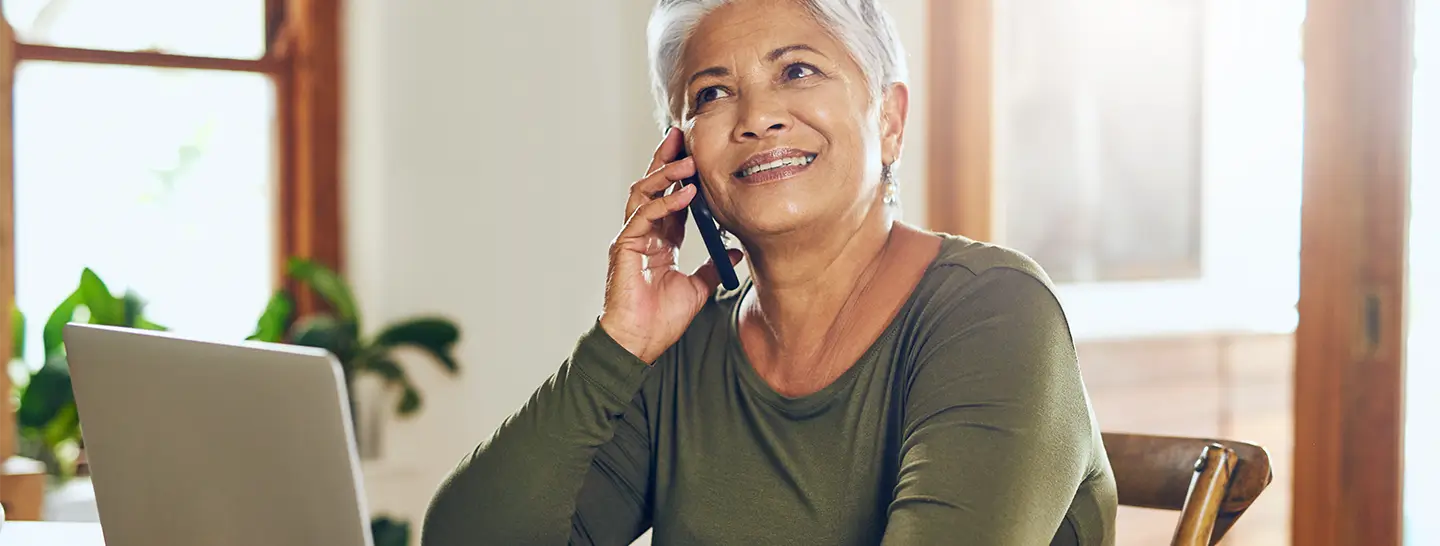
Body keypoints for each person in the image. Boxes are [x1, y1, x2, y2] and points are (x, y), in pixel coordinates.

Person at [421, 0, 1117, 544]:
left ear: (890, 120)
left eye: (797, 71)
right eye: (711, 94)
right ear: (680, 154)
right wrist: (618, 347)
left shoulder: (994, 314)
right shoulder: (682, 347)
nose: (756, 118)